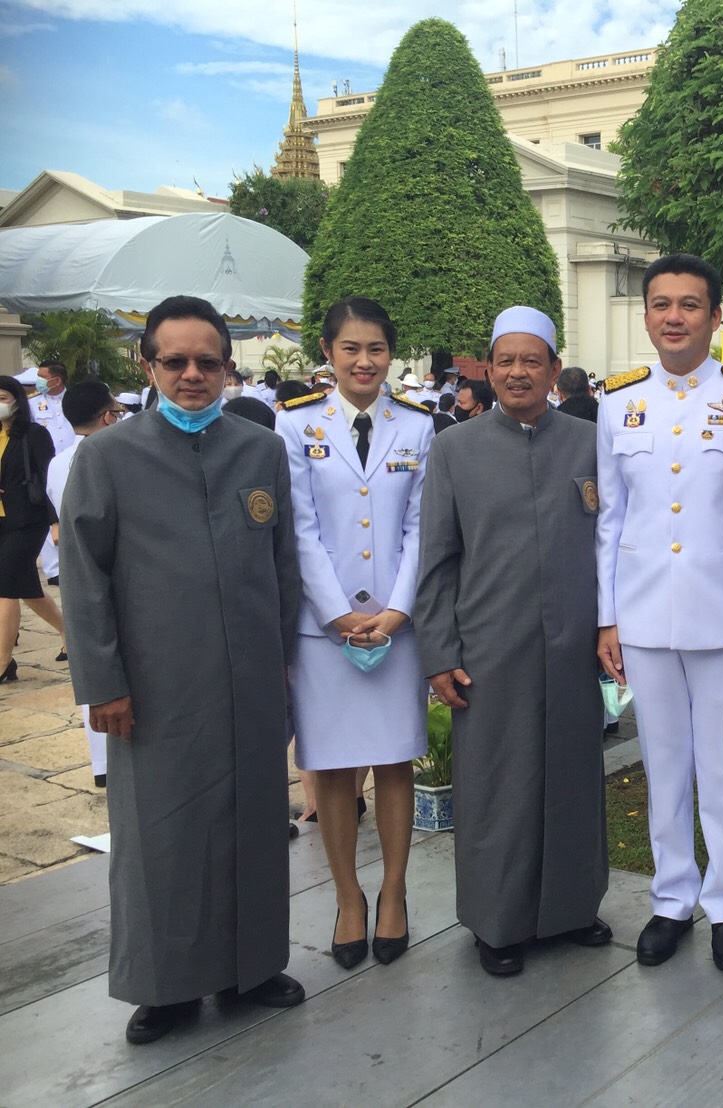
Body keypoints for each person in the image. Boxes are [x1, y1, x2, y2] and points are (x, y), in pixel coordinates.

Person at [59, 294, 305, 1044]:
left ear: (229, 368)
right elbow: (84, 578)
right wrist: (103, 684)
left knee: (255, 827)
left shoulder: (258, 450)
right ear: (148, 364)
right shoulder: (107, 457)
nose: (193, 375)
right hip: (157, 688)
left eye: (208, 362)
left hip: (251, 679)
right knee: (162, 835)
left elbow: (282, 564)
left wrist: (284, 664)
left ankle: (252, 967)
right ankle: (164, 987)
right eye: (176, 361)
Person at [595, 252, 723, 972]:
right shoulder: (618, 401)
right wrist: (607, 617)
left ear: (714, 315)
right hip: (644, 613)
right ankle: (673, 898)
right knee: (664, 761)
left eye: (689, 304)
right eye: (661, 304)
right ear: (646, 315)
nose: (674, 316)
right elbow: (611, 518)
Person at [417, 305, 610, 977]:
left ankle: (571, 909)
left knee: (573, 777)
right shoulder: (454, 449)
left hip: (573, 648)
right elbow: (436, 561)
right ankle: (497, 923)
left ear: (555, 370)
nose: (519, 372)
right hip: (488, 651)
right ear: (488, 369)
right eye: (506, 361)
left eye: (533, 360)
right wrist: (439, 652)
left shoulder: (591, 442)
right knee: (497, 785)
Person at [276, 297, 431, 970]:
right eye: (350, 349)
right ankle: (347, 899)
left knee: (395, 763)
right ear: (328, 352)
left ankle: (393, 894)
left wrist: (398, 609)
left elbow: (423, 528)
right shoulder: (295, 427)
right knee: (334, 769)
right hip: (325, 631)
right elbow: (298, 527)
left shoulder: (420, 428)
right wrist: (335, 611)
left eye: (376, 349)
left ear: (390, 355)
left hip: (397, 625)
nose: (364, 361)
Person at [45, 379, 122, 782]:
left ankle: (103, 766)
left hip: (78, 571)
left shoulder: (59, 461)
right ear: (107, 416)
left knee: (91, 669)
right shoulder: (110, 456)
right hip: (107, 570)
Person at [0, 375, 65, 683]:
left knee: (6, 587)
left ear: (16, 401)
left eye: (2, 398)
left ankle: (3, 661)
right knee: (27, 590)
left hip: (27, 520)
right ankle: (71, 634)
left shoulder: (34, 434)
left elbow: (48, 477)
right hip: (1, 520)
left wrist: (56, 522)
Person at [29, 361, 73, 587]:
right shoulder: (33, 404)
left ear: (57, 379)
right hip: (46, 465)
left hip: (74, 461)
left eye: (42, 376)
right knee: (51, 513)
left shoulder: (74, 400)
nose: (38, 380)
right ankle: (54, 568)